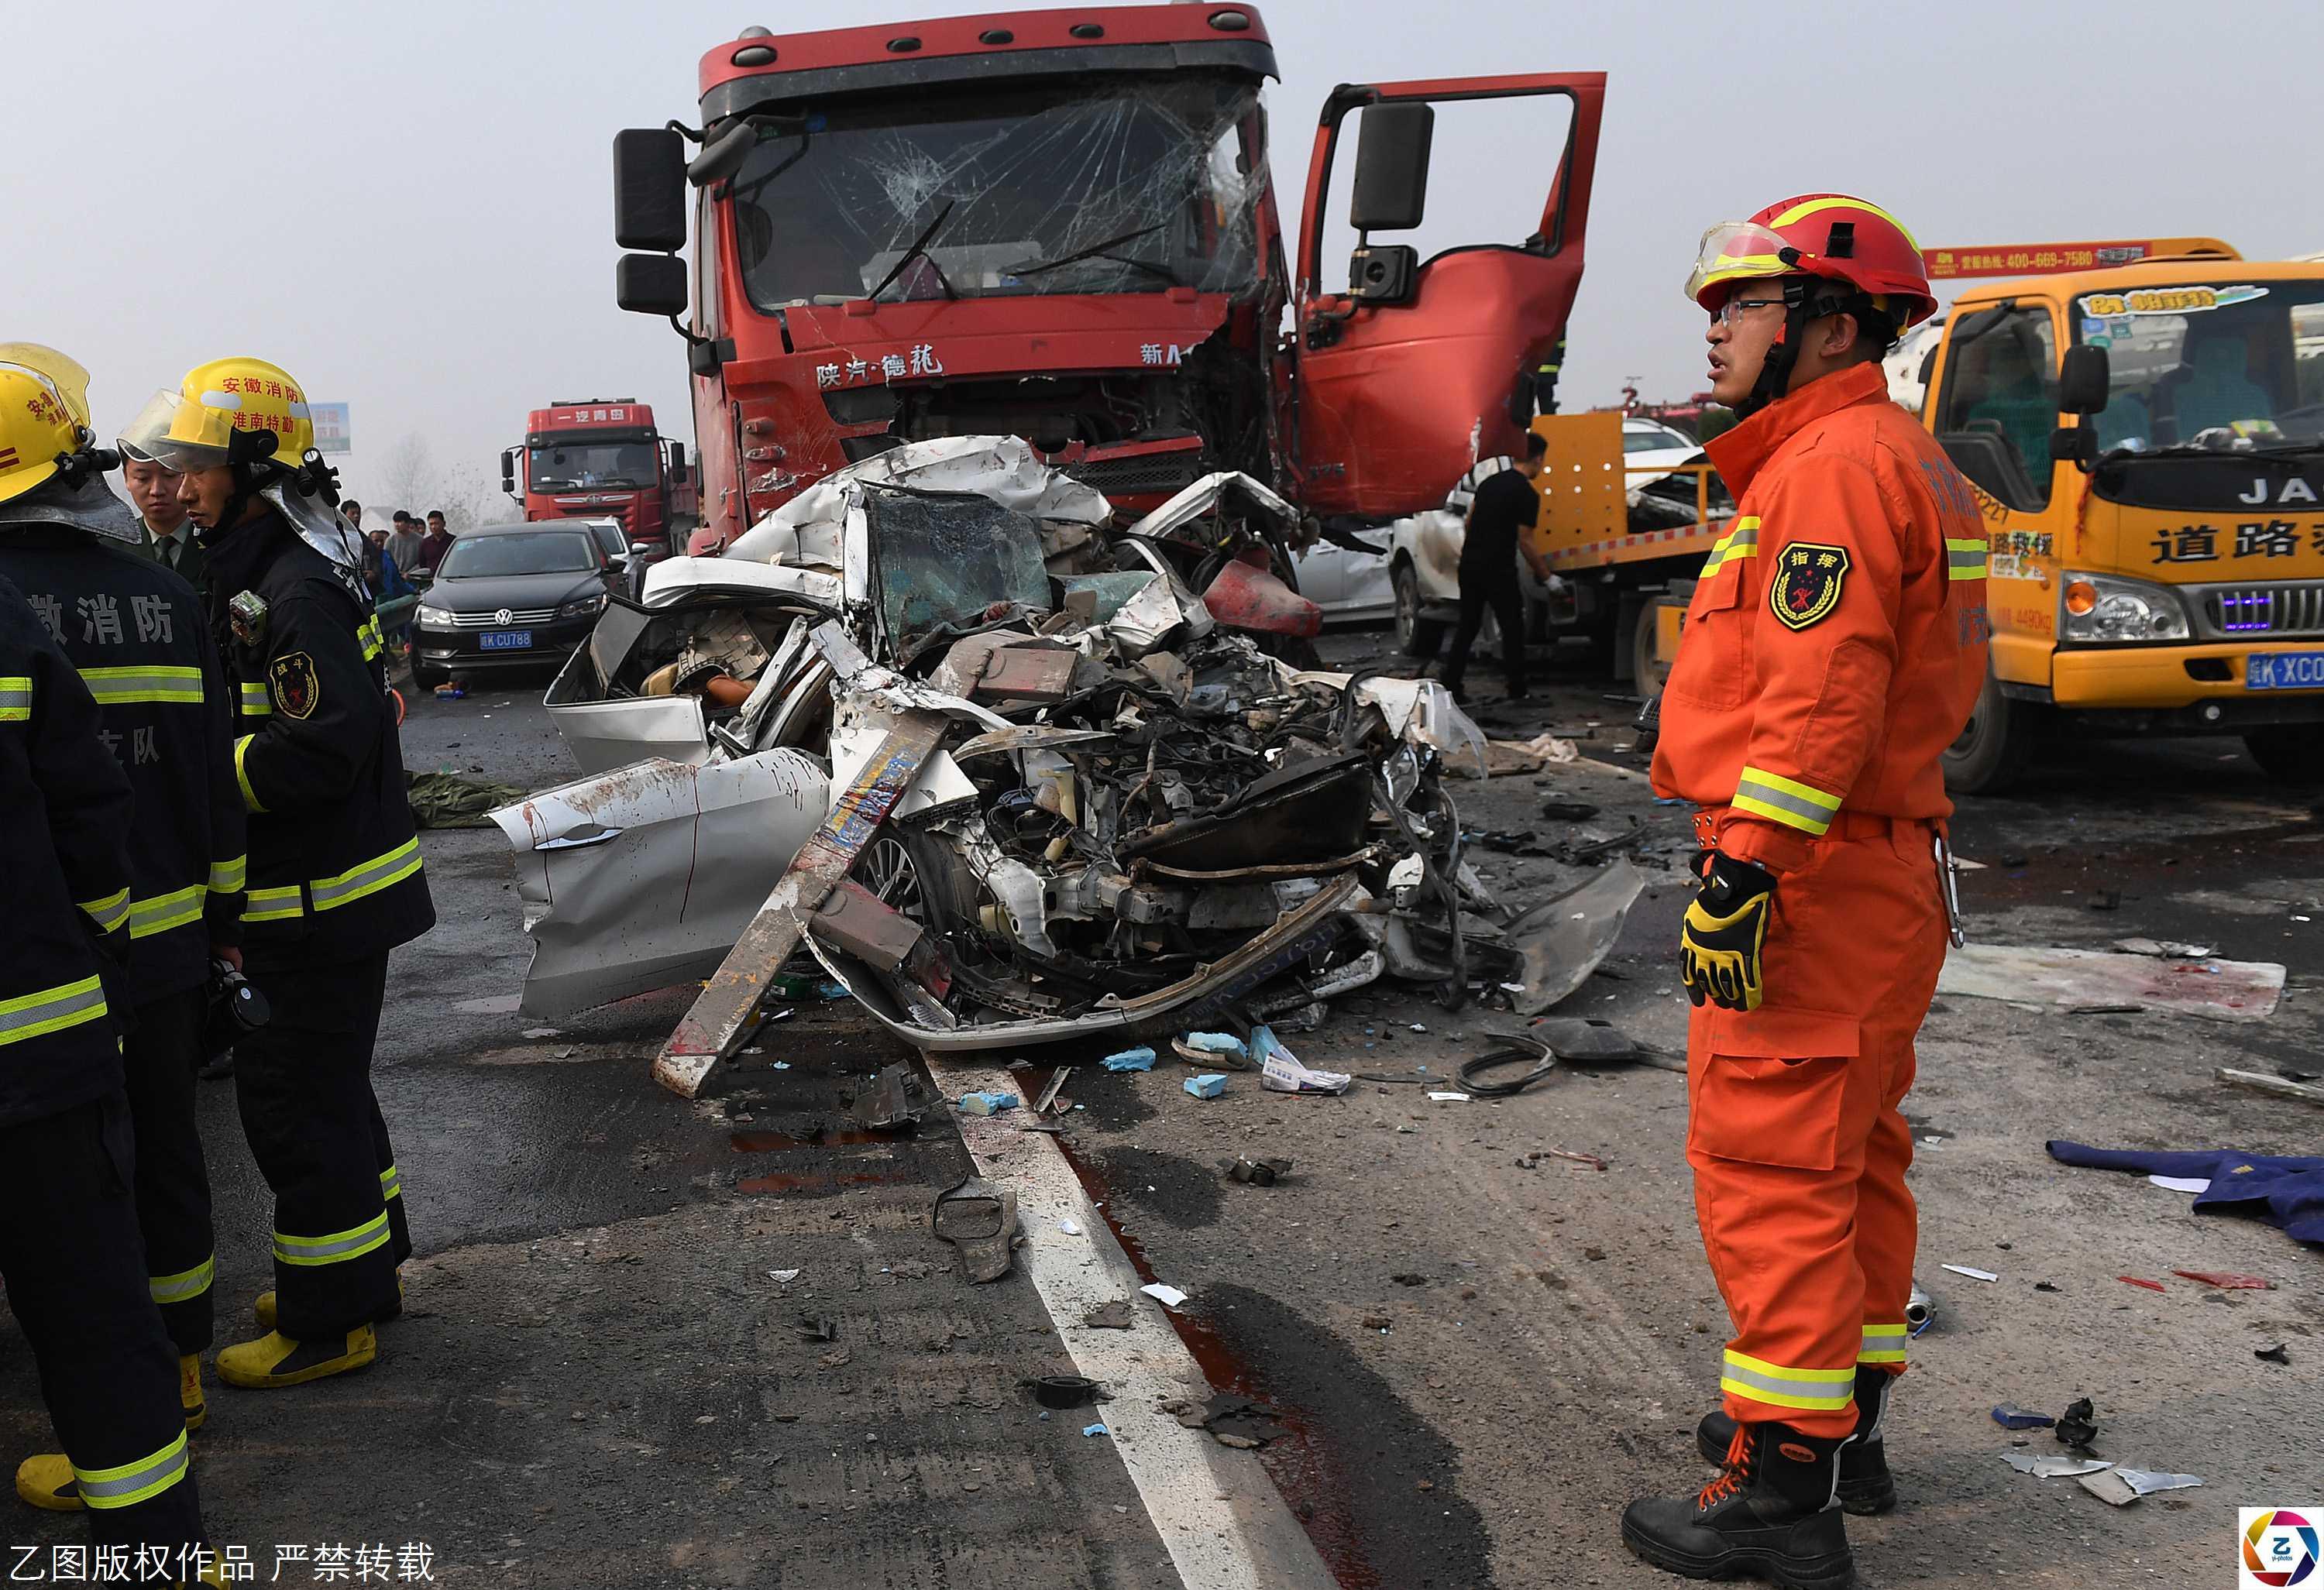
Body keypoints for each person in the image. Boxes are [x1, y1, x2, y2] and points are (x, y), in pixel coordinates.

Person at [1626, 196, 1988, 1588]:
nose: (1712, 329)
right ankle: (1851, 1428)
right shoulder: (1893, 455)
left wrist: (1743, 872)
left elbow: (1822, 696)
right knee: (1852, 1157)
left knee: (1773, 1166)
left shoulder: (1832, 466)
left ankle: (1780, 1494)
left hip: (1819, 874)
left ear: (1827, 326)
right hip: (1883, 870)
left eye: (1740, 306)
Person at [121, 357, 434, 1392]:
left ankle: (327, 1317)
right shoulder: (263, 571)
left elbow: (324, 747)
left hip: (315, 906)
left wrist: (212, 776)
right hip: (323, 900)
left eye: (196, 463)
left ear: (251, 469)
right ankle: (362, 1268)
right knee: (334, 1096)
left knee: (296, 1104)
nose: (176, 479)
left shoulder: (291, 589)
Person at [0, 348, 244, 1502]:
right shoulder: (161, 596)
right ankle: (181, 1368)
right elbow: (202, 780)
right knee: (158, 1159)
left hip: (47, 960)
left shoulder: (13, 607)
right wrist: (220, 917)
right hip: (155, 938)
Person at [1437, 430, 1545, 703]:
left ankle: (1451, 683)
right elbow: (1526, 541)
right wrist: (1547, 576)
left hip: (1471, 564)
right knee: (1512, 627)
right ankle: (1517, 689)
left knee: (1468, 625)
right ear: (1538, 458)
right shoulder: (1527, 494)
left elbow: (1469, 522)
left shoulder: (1489, 484)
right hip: (1499, 568)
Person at [124, 444, 206, 594]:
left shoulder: (220, 543)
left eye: (170, 475)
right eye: (143, 478)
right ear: (126, 478)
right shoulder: (111, 548)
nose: (157, 490)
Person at [386, 510, 426, 580]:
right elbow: (386, 560)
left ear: (408, 523)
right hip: (395, 578)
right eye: (395, 522)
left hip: (414, 577)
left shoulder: (420, 540)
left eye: (400, 522)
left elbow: (422, 561)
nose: (397, 525)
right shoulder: (391, 540)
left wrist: (410, 573)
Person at [415, 509, 452, 573]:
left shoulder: (453, 541)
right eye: (431, 524)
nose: (433, 527)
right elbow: (422, 564)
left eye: (436, 524)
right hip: (430, 580)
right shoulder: (425, 543)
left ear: (444, 524)